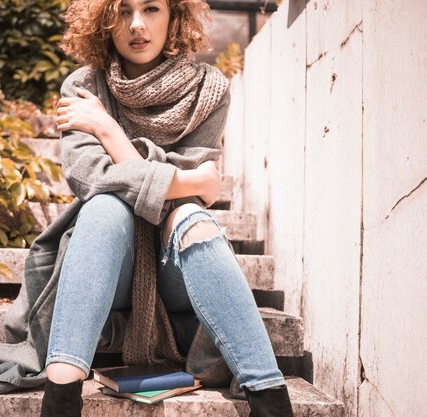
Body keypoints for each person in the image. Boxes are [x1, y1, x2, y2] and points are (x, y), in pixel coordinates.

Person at [39, 0, 296, 416]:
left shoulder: (208, 91)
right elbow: (90, 177)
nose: (137, 25)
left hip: (176, 270)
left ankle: (270, 401)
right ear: (104, 18)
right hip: (110, 262)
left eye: (152, 9)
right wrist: (188, 181)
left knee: (190, 217)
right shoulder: (84, 87)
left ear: (175, 16)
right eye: (123, 10)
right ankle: (60, 401)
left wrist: (109, 132)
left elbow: (177, 196)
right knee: (105, 208)